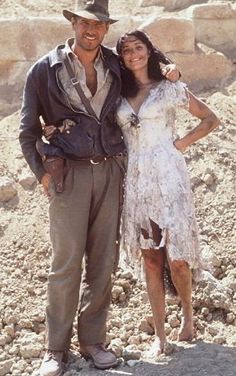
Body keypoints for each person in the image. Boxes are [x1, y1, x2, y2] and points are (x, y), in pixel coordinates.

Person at [19, 1, 180, 375]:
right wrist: (42, 173)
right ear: (74, 23)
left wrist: (171, 68)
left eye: (100, 24)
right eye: (85, 23)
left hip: (111, 172)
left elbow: (146, 69)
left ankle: (93, 341)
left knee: (103, 264)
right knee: (65, 264)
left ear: (106, 28)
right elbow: (27, 131)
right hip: (68, 176)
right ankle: (55, 349)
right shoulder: (44, 69)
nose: (92, 30)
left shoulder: (114, 62)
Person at [115, 30, 220, 358]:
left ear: (149, 50)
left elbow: (209, 119)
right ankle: (160, 335)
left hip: (170, 178)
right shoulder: (117, 94)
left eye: (139, 47)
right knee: (150, 258)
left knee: (177, 258)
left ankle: (188, 318)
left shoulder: (169, 88)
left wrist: (180, 145)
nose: (133, 54)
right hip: (138, 182)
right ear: (121, 58)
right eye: (127, 50)